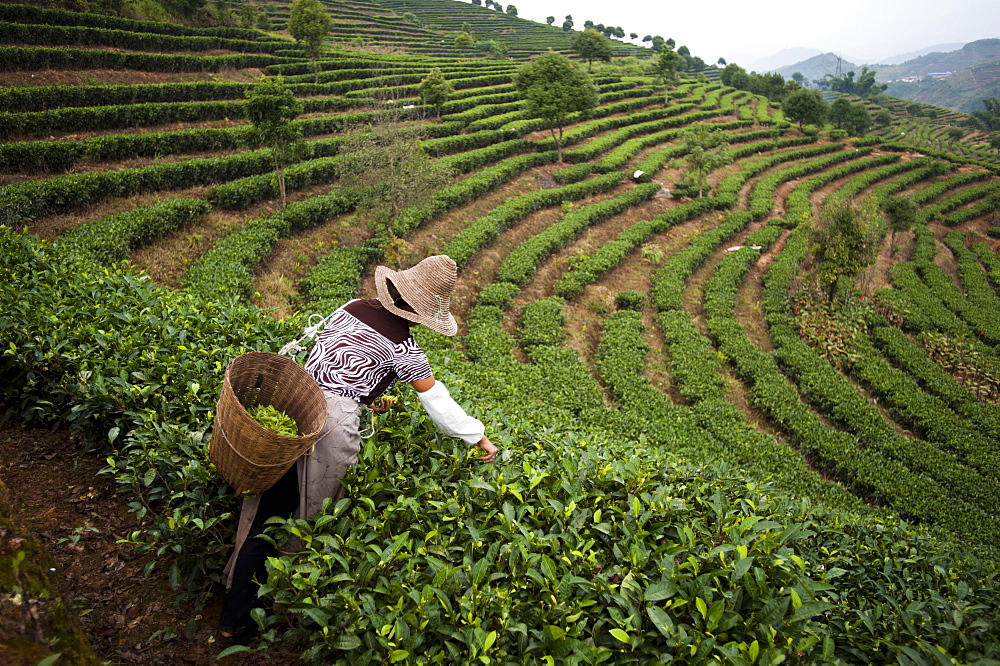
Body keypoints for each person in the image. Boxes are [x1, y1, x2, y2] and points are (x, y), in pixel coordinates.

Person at [218, 254, 497, 642]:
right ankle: (273, 613)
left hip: (295, 404)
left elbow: (334, 362)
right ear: (422, 312)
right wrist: (478, 436)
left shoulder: (350, 308)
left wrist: (367, 395)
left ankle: (235, 608)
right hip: (329, 428)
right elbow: (440, 405)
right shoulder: (405, 349)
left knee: (268, 509)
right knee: (309, 519)